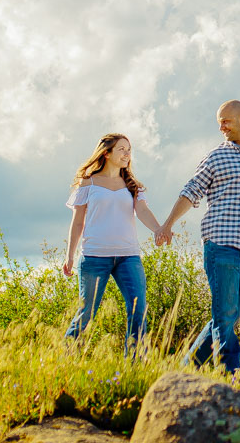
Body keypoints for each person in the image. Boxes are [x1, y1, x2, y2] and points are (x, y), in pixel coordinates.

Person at [157, 100, 240, 372]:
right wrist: (167, 224)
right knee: (224, 316)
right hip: (220, 243)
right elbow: (192, 190)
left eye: (226, 121)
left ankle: (185, 370)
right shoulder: (216, 157)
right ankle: (230, 377)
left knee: (230, 317)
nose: (221, 127)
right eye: (219, 122)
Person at [62, 133, 167, 355]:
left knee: (138, 309)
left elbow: (143, 211)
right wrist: (69, 255)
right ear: (107, 153)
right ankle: (65, 356)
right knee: (87, 312)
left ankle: (136, 363)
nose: (127, 154)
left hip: (128, 257)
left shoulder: (131, 185)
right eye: (122, 149)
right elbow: (78, 222)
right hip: (94, 258)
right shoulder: (88, 182)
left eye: (129, 150)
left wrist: (158, 229)